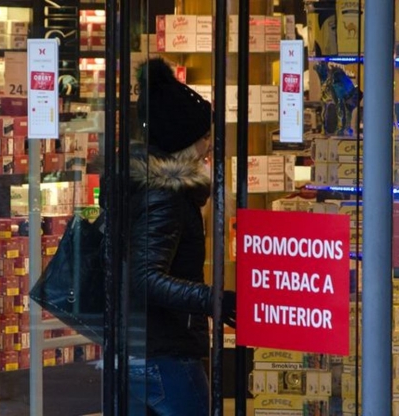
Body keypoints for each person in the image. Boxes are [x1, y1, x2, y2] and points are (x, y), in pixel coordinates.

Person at [127, 57, 237, 415]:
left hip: (147, 347)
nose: (210, 146)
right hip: (166, 353)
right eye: (205, 136)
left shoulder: (152, 187)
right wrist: (214, 301)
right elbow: (146, 278)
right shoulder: (165, 194)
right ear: (183, 141)